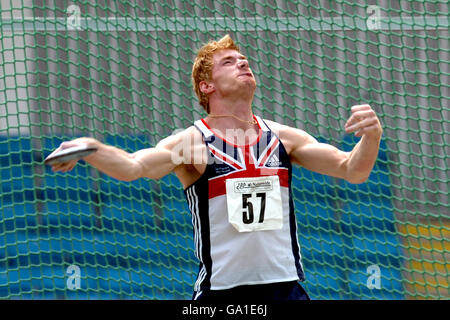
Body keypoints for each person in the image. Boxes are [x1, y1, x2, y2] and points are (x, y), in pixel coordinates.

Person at [47, 35, 383, 301]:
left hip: (286, 290)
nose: (242, 62)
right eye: (229, 62)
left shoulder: (284, 138)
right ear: (207, 86)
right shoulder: (193, 143)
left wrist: (371, 137)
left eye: (243, 60)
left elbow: (353, 170)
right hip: (222, 294)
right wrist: (92, 148)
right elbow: (134, 167)